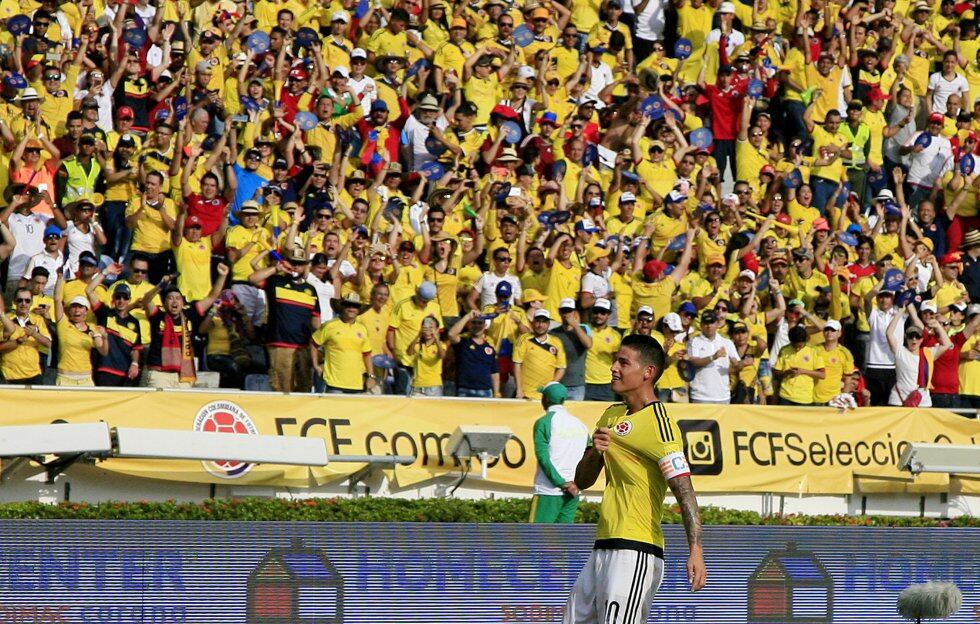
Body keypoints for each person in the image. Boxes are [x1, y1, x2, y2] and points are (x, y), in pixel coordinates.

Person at [564, 334, 706, 623]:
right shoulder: (610, 414)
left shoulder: (661, 424)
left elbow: (684, 491)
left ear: (647, 373)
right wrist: (595, 453)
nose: (614, 367)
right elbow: (582, 480)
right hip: (602, 545)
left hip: (636, 550)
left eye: (623, 362)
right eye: (615, 360)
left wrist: (695, 549)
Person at [530, 382, 589, 524]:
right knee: (564, 542)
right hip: (573, 492)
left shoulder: (543, 422)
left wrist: (562, 483)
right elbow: (589, 456)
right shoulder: (580, 424)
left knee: (535, 540)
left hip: (548, 491)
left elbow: (543, 458)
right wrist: (576, 484)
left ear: (546, 399)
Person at [311, 292, 374, 394]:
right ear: (342, 306)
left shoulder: (362, 329)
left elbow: (367, 354)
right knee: (333, 410)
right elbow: (314, 344)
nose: (351, 308)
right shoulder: (329, 325)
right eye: (348, 305)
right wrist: (316, 366)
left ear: (358, 310)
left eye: (355, 306)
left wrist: (371, 376)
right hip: (334, 383)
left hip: (357, 383)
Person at [686, 310, 739, 404]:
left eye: (712, 322)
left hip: (723, 396)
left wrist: (740, 364)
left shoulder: (727, 342)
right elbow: (693, 362)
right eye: (706, 323)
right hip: (700, 396)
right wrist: (713, 357)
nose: (709, 326)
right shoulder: (694, 341)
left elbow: (736, 365)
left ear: (717, 324)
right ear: (701, 325)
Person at [0, 289, 52, 384]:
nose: (23, 303)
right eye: (20, 300)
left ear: (32, 302)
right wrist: (20, 340)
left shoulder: (38, 320)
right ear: (14, 302)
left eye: (27, 300)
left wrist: (34, 334)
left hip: (34, 375)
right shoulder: (5, 320)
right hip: (9, 375)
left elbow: (48, 343)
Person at [513, 308, 566, 400]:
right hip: (526, 394)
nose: (540, 325)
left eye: (544, 322)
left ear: (549, 324)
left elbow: (561, 367)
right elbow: (517, 364)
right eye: (538, 321)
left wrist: (551, 387)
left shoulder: (557, 342)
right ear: (533, 322)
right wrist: (519, 389)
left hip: (546, 396)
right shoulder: (523, 339)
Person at [447, 310, 500, 398]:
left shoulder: (490, 347)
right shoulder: (463, 342)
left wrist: (497, 392)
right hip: (465, 390)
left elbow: (494, 372)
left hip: (485, 391)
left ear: (485, 326)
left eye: (480, 323)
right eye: (474, 323)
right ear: (469, 325)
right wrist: (467, 316)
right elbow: (451, 334)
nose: (477, 325)